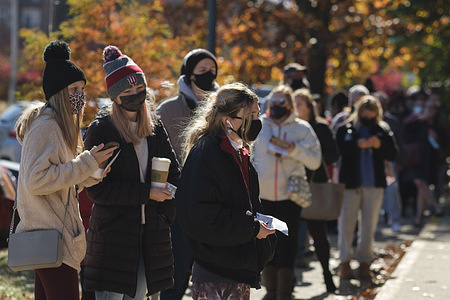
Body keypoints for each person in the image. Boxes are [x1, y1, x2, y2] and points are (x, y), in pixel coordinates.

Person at [14, 40, 115, 300]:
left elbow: (57, 180)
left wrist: (90, 174)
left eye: (82, 88)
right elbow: (36, 181)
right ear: (59, 92)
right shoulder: (48, 126)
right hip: (51, 238)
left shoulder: (57, 125)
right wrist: (86, 163)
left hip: (51, 238)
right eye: (74, 89)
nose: (79, 94)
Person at [83, 45, 180, 299]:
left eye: (139, 88)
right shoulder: (102, 129)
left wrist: (165, 213)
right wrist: (147, 193)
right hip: (113, 236)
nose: (135, 95)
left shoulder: (154, 125)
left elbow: (175, 173)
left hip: (151, 235)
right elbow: (96, 190)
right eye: (127, 91)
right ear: (115, 96)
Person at [176, 82, 277, 300]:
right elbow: (201, 217)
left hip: (234, 265)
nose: (256, 121)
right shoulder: (208, 154)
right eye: (249, 115)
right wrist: (251, 228)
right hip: (217, 271)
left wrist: (259, 225)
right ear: (227, 120)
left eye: (257, 114)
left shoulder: (239, 150)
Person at [156, 48, 219, 300]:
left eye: (212, 71)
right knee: (176, 273)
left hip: (212, 202)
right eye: (202, 70)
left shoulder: (221, 108)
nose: (208, 75)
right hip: (178, 202)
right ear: (189, 74)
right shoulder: (168, 109)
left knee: (208, 276)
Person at [253, 85, 321, 300]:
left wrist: (294, 150)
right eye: (274, 101)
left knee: (287, 245)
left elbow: (315, 161)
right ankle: (270, 290)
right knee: (265, 242)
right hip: (262, 196)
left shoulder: (302, 129)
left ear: (291, 105)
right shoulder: (259, 126)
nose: (277, 105)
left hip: (289, 197)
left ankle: (285, 292)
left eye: (283, 102)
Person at [335, 95, 397, 280]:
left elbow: (393, 153)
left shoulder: (382, 130)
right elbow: (338, 149)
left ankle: (364, 262)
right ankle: (344, 262)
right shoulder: (346, 128)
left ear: (377, 114)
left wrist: (379, 145)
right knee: (346, 224)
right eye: (364, 112)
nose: (367, 116)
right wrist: (357, 144)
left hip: (374, 185)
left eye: (372, 113)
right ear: (359, 111)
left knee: (369, 226)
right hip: (350, 184)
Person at [293, 88, 340, 293]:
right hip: (291, 186)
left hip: (315, 185)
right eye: (293, 104)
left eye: (300, 104)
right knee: (289, 234)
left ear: (310, 106)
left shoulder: (321, 127)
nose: (296, 108)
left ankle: (327, 276)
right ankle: (288, 281)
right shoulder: (289, 127)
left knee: (319, 235)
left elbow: (332, 155)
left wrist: (311, 155)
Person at [400, 98, 446, 226]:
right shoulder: (418, 122)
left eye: (433, 108)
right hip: (417, 160)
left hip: (431, 161)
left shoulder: (438, 127)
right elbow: (406, 128)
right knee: (419, 182)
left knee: (422, 188)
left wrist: (436, 138)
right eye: (428, 108)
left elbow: (444, 144)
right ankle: (436, 207)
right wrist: (422, 118)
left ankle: (418, 218)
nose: (430, 111)